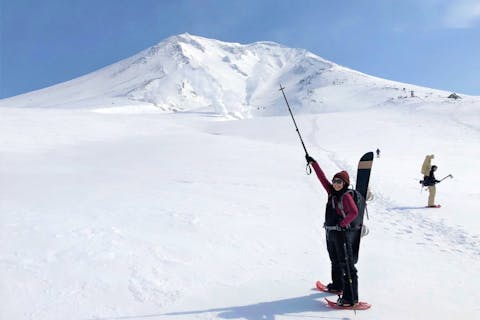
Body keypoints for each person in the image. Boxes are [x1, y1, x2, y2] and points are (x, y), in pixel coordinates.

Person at [306, 154, 359, 306]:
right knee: (335, 260)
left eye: (339, 182)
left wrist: (343, 224)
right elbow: (322, 178)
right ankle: (338, 285)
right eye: (334, 181)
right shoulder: (331, 192)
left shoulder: (345, 196)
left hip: (341, 234)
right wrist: (314, 163)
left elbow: (354, 212)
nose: (336, 184)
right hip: (331, 233)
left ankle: (351, 299)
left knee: (348, 266)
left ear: (344, 183)